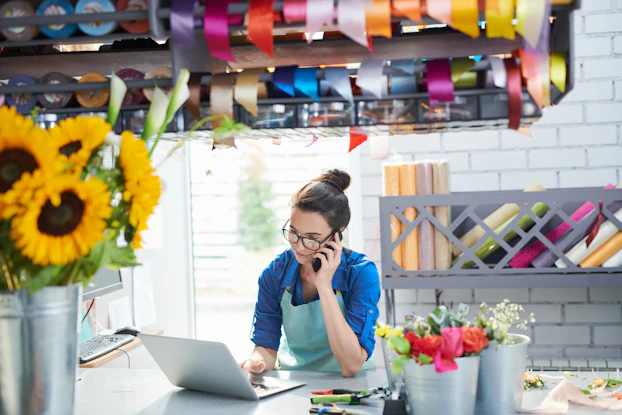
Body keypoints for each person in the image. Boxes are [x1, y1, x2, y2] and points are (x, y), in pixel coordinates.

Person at [239, 169, 381, 378]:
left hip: (352, 387)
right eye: (294, 233)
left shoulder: (361, 274)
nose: (299, 246)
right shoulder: (275, 273)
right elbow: (267, 347)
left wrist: (324, 286)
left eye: (312, 238)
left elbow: (351, 365)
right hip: (295, 383)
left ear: (337, 235)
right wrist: (256, 361)